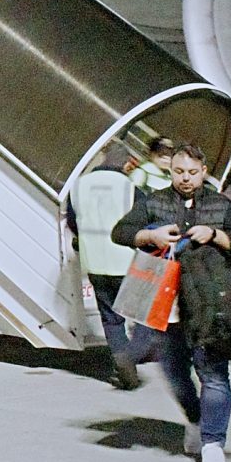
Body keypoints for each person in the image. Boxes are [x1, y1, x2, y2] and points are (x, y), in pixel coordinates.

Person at [113, 141, 231, 462]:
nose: (185, 178)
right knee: (175, 373)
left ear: (204, 171)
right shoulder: (155, 201)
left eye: (192, 172)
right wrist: (152, 237)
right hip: (168, 307)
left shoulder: (221, 204)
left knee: (214, 375)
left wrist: (216, 234)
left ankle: (214, 442)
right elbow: (121, 232)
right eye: (178, 172)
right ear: (170, 171)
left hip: (210, 305)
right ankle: (195, 420)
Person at [67, 142, 157, 389]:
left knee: (111, 319)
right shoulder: (130, 188)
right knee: (141, 314)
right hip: (127, 262)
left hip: (95, 262)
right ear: (126, 163)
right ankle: (133, 355)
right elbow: (147, 221)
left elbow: (73, 223)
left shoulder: (78, 187)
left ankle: (123, 365)